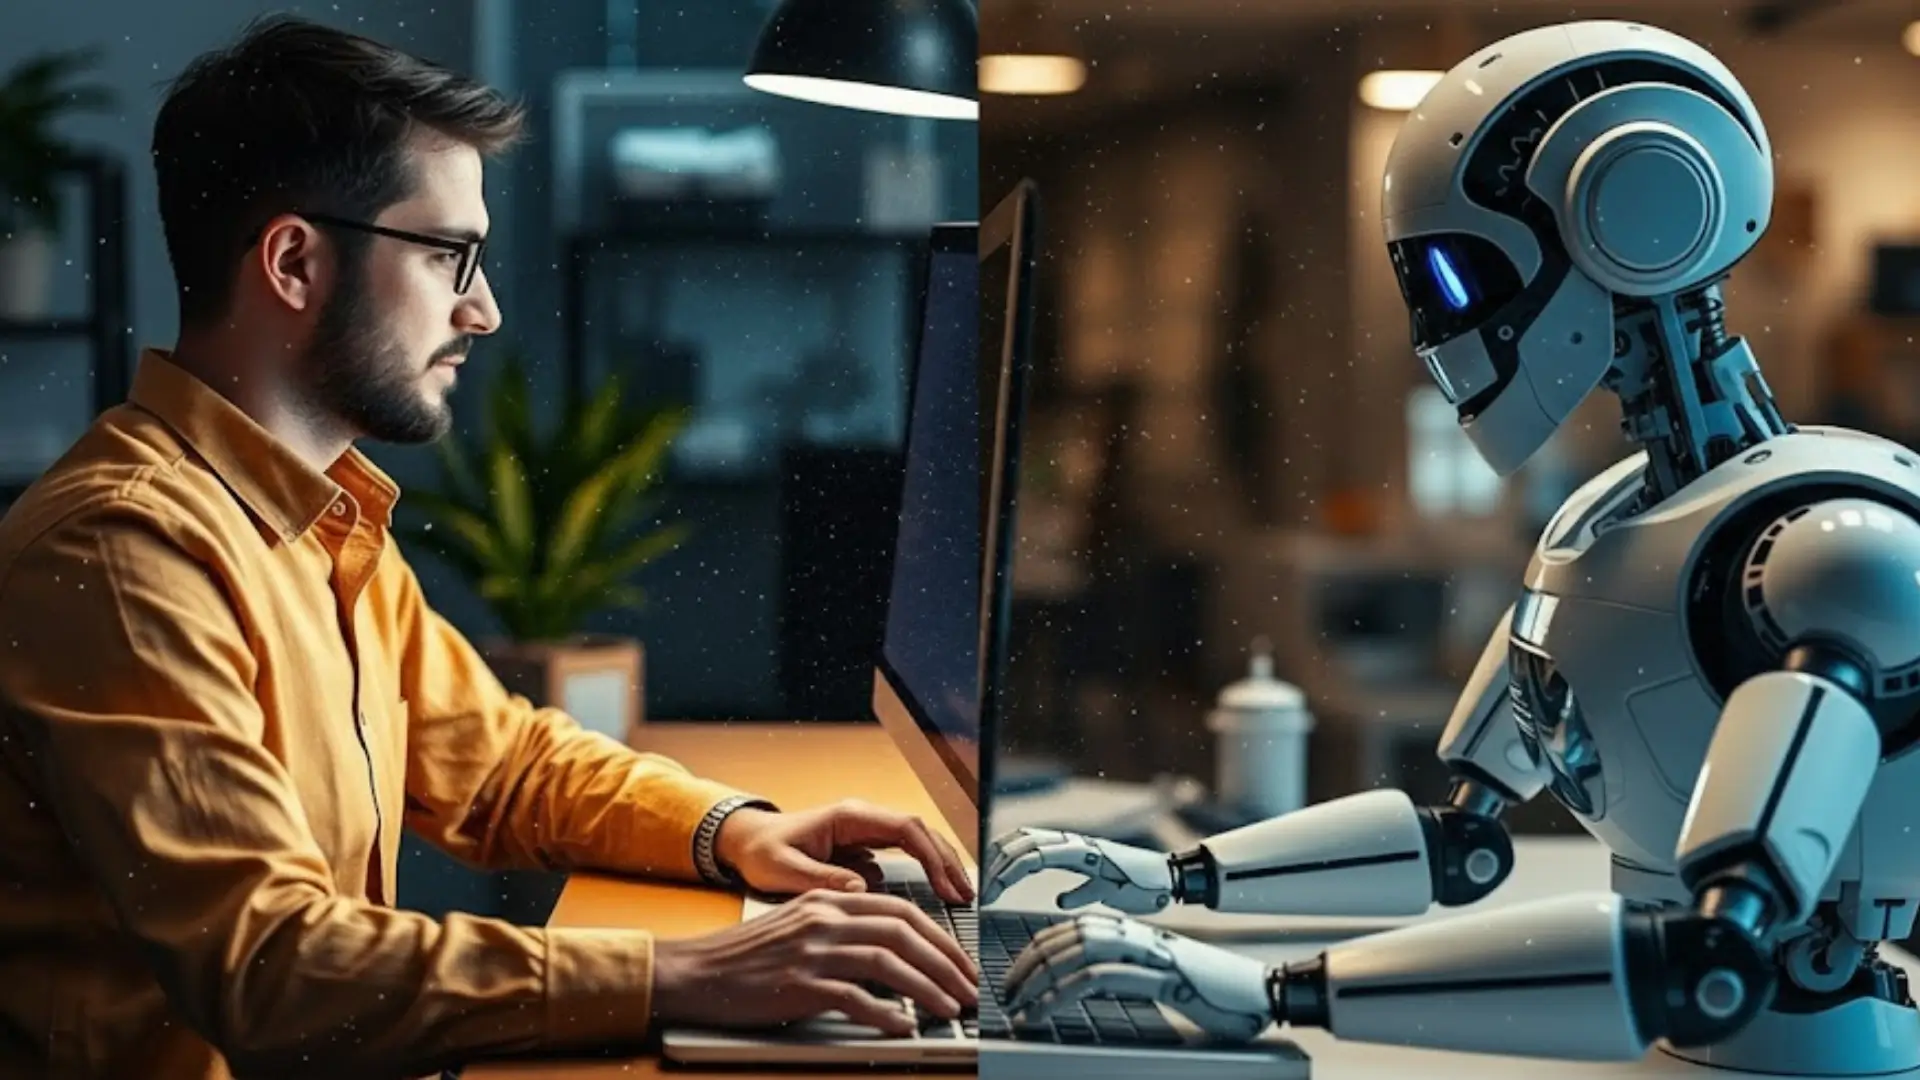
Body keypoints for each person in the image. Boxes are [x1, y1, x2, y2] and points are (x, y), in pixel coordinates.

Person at [0, 15, 976, 1080]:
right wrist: (689, 974)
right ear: (294, 262)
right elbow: (272, 966)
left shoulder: (314, 515)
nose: (484, 310)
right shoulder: (123, 551)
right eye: (448, 256)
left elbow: (501, 764)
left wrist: (731, 829)